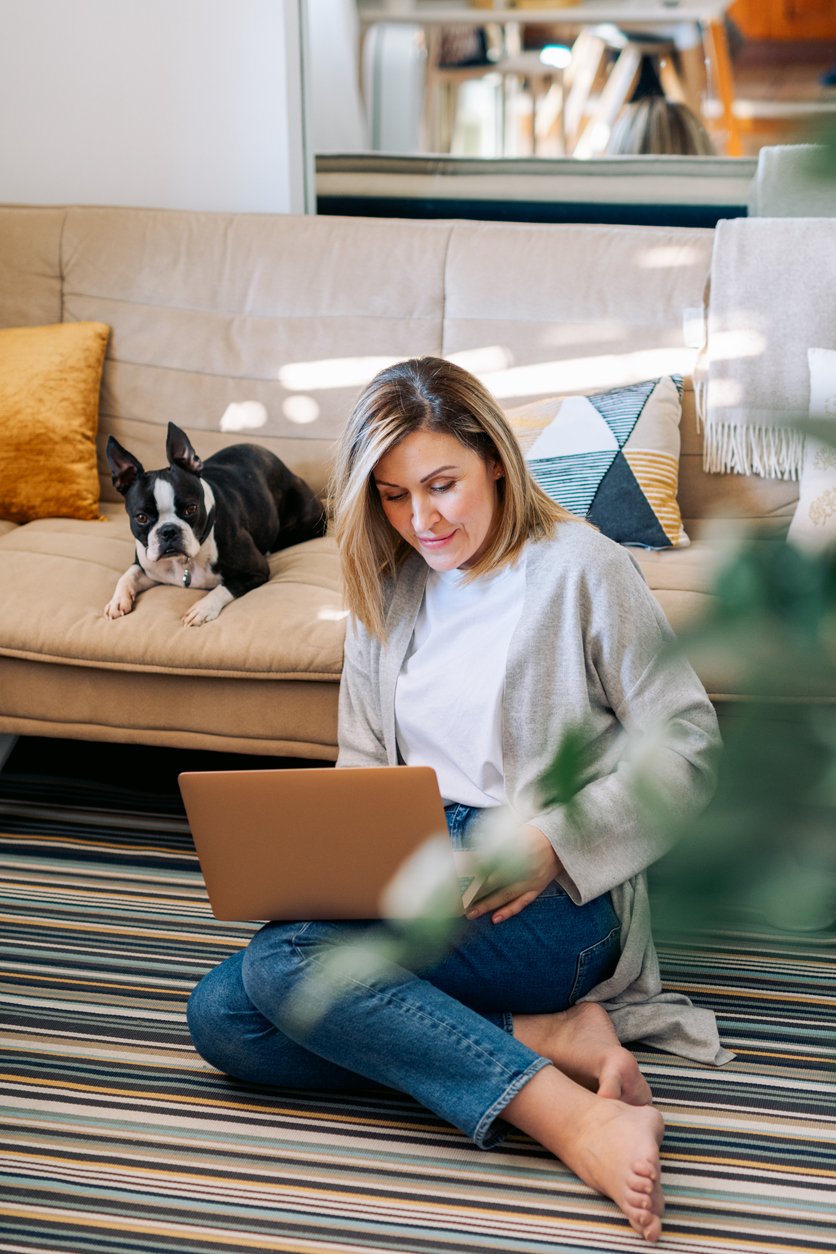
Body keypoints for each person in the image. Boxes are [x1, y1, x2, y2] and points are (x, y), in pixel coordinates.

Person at [188, 356, 728, 1243]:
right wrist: (331, 864)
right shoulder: (388, 587)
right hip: (417, 859)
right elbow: (363, 767)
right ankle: (546, 1035)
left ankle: (568, 1114)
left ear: (495, 462)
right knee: (224, 1019)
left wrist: (556, 840)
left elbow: (688, 742)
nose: (423, 519)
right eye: (395, 496)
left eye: (442, 484)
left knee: (283, 971)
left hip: (554, 892)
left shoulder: (584, 568)